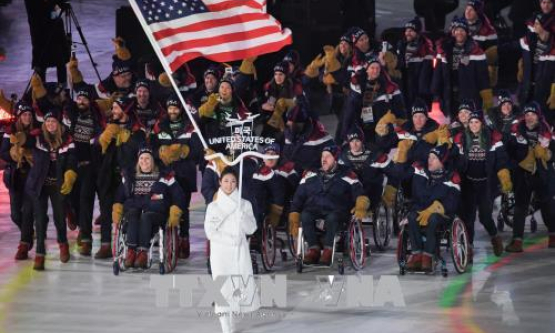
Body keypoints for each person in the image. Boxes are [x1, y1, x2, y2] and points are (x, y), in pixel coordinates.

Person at [288, 145, 370, 265]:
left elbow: (359, 193)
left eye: (328, 156)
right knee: (305, 215)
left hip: (337, 209)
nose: (324, 159)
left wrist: (361, 205)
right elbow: (299, 196)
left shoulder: (348, 174)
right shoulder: (310, 174)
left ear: (335, 159)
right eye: (322, 156)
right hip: (315, 208)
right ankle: (314, 249)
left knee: (332, 217)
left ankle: (328, 250)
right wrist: (294, 213)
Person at [204, 167, 260, 333]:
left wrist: (243, 218)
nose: (229, 185)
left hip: (239, 253)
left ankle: (232, 319)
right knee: (222, 288)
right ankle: (225, 327)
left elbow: (251, 229)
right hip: (220, 253)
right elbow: (210, 232)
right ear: (220, 182)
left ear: (237, 183)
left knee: (237, 287)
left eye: (233, 181)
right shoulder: (213, 206)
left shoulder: (245, 204)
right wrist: (229, 240)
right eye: (226, 181)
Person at [112, 147, 186, 268]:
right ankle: (131, 252)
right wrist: (117, 206)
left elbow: (179, 195)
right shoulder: (130, 177)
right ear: (138, 161)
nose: (144, 161)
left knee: (146, 217)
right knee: (132, 215)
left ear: (152, 161)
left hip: (156, 212)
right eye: (141, 158)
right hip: (135, 210)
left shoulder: (165, 177)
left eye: (147, 158)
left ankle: (142, 253)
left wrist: (176, 209)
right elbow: (119, 195)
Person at [392, 144, 461, 272]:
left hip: (442, 214)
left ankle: (428, 256)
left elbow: (453, 202)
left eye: (434, 158)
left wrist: (435, 208)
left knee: (433, 219)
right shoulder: (421, 172)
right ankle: (417, 254)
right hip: (421, 209)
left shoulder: (451, 177)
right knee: (411, 216)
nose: (430, 161)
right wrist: (401, 160)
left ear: (442, 161)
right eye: (429, 157)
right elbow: (401, 177)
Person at [452, 111, 510, 260]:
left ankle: (495, 237)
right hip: (468, 184)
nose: (473, 125)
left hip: (486, 184)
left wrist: (503, 173)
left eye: (476, 122)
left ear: (482, 124)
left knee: (485, 217)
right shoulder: (462, 139)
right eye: (471, 123)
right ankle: (469, 248)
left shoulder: (493, 139)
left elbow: (502, 159)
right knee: (468, 218)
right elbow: (455, 160)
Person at [25, 111, 77, 271]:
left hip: (58, 185)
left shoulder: (68, 139)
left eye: (53, 121)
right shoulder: (37, 139)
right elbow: (23, 140)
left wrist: (70, 173)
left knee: (59, 218)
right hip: (40, 184)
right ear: (44, 124)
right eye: (47, 122)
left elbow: (72, 160)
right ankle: (40, 254)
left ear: (59, 124)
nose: (50, 124)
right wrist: (19, 138)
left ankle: (63, 244)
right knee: (39, 220)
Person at [61, 90, 107, 257]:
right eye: (78, 98)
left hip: (93, 164)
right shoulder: (69, 115)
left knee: (86, 201)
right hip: (74, 163)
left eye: (84, 98)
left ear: (89, 101)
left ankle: (85, 236)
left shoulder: (98, 116)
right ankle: (74, 218)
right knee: (74, 199)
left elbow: (101, 136)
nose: (81, 101)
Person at [505, 102, 555, 251]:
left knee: (548, 206)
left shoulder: (548, 131)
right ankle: (517, 241)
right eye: (527, 115)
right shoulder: (515, 132)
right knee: (520, 207)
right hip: (522, 175)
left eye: (533, 114)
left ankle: (553, 236)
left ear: (538, 116)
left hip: (543, 175)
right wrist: (516, 165)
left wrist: (547, 154)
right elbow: (508, 153)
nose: (529, 117)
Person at [433, 18, 493, 119]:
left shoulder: (477, 52)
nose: (459, 33)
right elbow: (438, 73)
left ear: (467, 32)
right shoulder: (444, 50)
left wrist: (486, 97)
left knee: (472, 123)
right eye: (457, 30)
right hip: (450, 95)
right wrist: (436, 91)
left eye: (462, 30)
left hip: (470, 95)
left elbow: (483, 77)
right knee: (454, 124)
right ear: (453, 32)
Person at [0, 102, 37, 260]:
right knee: (15, 215)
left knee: (28, 212)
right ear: (19, 117)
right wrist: (14, 154)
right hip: (15, 177)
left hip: (32, 176)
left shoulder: (37, 131)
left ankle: (24, 244)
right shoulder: (10, 132)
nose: (27, 117)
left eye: (29, 115)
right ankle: (28, 232)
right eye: (24, 115)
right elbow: (3, 153)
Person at [396, 17, 435, 109]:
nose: (407, 33)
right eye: (406, 30)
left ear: (417, 32)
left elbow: (426, 75)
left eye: (411, 31)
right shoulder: (401, 44)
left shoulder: (425, 47)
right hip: (405, 87)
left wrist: (422, 94)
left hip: (418, 91)